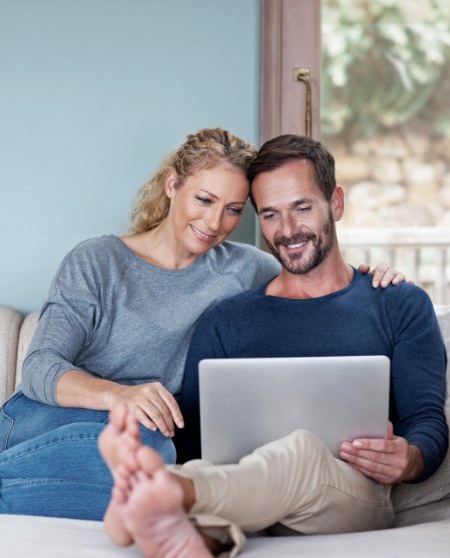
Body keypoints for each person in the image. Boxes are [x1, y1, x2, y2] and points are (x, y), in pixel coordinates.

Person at [0, 128, 403, 521]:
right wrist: (119, 397)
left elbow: (315, 280)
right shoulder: (98, 261)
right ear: (173, 184)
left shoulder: (247, 269)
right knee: (155, 452)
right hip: (45, 423)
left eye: (232, 210)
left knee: (169, 461)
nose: (214, 223)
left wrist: (371, 281)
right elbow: (38, 367)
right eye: (205, 199)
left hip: (148, 436)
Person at [98, 134, 448, 558]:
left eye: (302, 207)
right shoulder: (226, 320)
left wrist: (409, 460)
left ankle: (168, 491)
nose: (288, 230)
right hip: (251, 492)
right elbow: (194, 438)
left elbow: (428, 420)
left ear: (335, 204)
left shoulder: (396, 302)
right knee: (232, 475)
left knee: (299, 452)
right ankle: (191, 527)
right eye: (270, 214)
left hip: (352, 498)